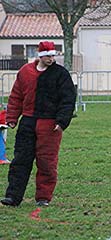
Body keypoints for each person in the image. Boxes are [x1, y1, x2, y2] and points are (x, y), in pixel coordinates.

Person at [1, 41, 76, 207]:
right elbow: (16, 96)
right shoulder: (25, 72)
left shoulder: (60, 74)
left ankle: (43, 197)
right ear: (39, 55)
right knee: (20, 160)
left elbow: (68, 99)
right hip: (27, 121)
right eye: (47, 56)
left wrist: (62, 121)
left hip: (49, 124)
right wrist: (12, 118)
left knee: (46, 162)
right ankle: (13, 196)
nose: (51, 59)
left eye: (52, 55)